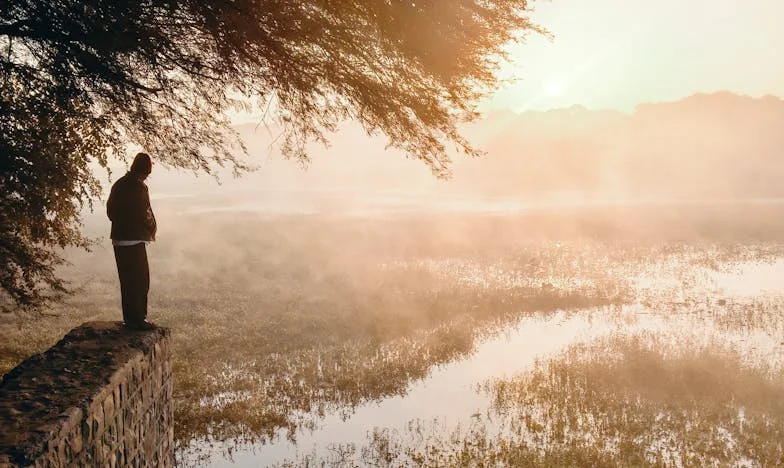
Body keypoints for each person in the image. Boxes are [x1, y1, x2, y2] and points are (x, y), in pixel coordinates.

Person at [106, 152, 157, 330]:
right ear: (145, 171)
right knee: (141, 281)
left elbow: (110, 212)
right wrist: (150, 229)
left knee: (127, 280)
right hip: (134, 239)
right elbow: (146, 214)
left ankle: (129, 318)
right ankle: (139, 319)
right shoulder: (140, 187)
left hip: (119, 239)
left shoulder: (119, 184)